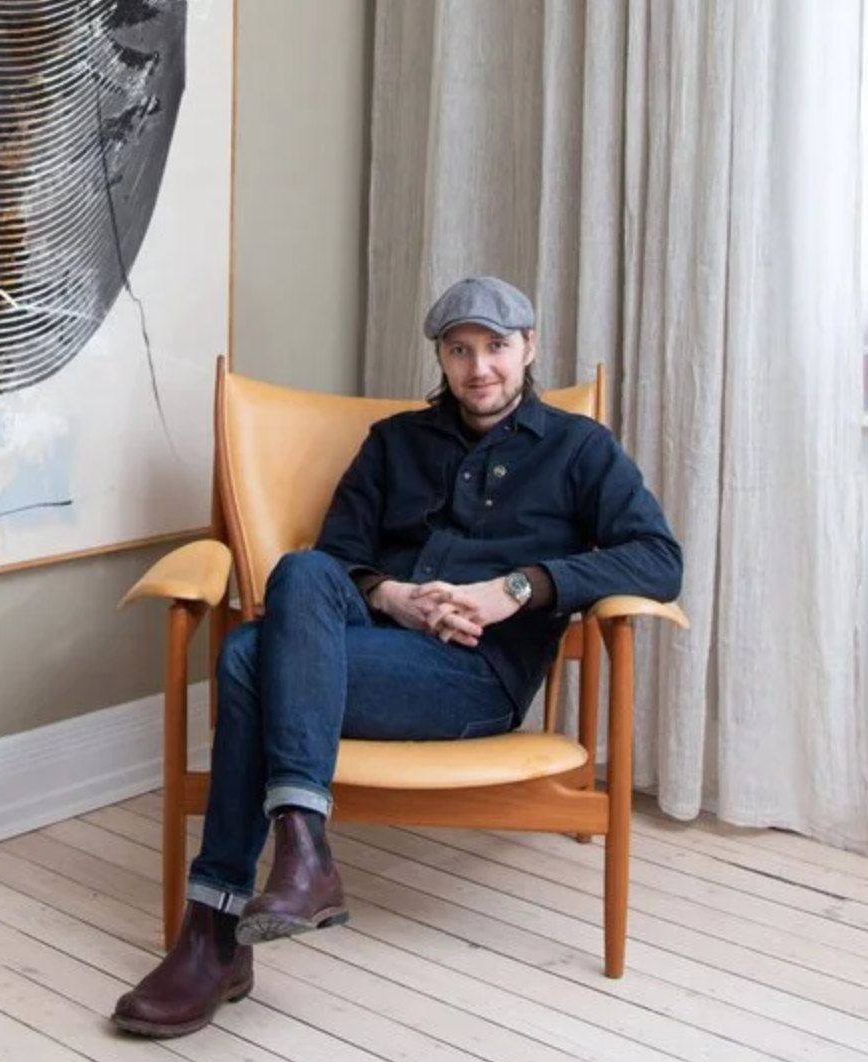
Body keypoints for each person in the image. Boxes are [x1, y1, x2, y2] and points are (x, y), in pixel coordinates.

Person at [109, 275, 684, 1039]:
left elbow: (658, 559)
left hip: (474, 676)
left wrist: (517, 588)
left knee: (248, 659)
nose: (479, 367)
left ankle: (215, 934)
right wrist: (394, 597)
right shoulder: (394, 443)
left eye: (496, 348)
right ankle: (300, 855)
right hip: (370, 641)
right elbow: (340, 555)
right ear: (441, 359)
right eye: (459, 350)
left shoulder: (581, 449)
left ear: (529, 349)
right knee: (301, 569)